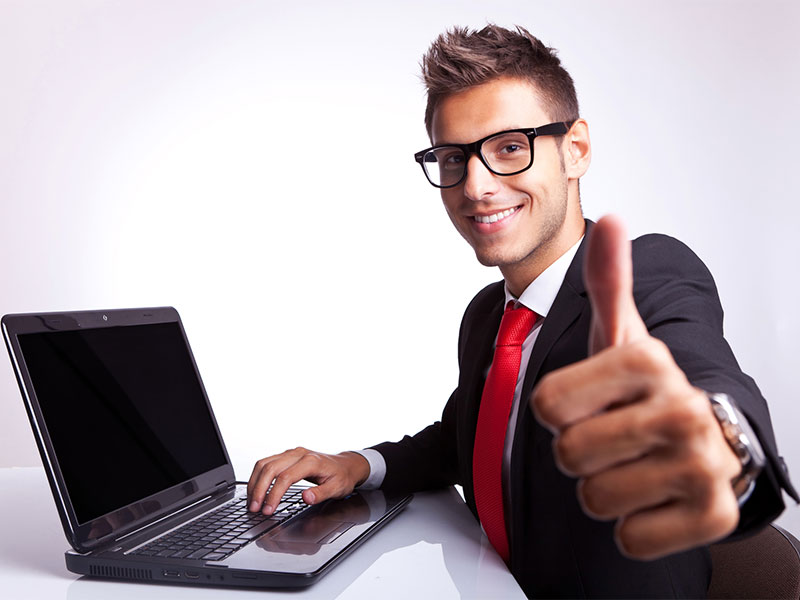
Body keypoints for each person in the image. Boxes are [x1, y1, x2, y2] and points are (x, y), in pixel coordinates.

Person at [246, 25, 797, 597]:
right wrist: (359, 464)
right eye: (453, 157)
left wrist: (720, 448)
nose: (476, 186)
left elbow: (705, 381)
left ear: (575, 149)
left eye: (510, 147)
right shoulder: (488, 316)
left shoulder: (645, 274)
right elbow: (465, 438)